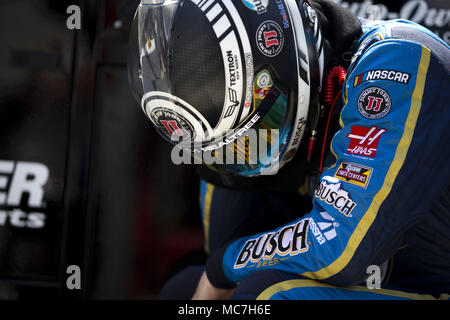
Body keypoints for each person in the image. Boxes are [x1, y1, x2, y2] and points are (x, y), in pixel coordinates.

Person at [128, 0, 450, 300]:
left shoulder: (400, 59)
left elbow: (339, 247)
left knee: (267, 296)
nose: (248, 148)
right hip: (366, 283)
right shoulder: (234, 128)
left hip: (431, 285)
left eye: (259, 124)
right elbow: (223, 250)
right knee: (183, 290)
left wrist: (222, 268)